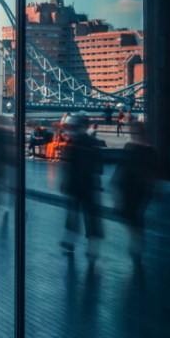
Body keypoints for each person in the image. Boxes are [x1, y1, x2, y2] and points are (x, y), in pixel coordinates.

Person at [59, 114, 105, 266]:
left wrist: (65, 182)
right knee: (90, 217)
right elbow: (99, 167)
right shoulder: (93, 143)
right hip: (89, 185)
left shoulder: (74, 144)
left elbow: (68, 165)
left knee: (74, 215)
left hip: (77, 185)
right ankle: (92, 248)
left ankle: (71, 241)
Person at [111, 122, 158, 266]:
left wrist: (115, 181)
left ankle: (136, 240)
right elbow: (155, 170)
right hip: (138, 187)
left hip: (132, 186)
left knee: (131, 214)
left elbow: (122, 166)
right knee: (134, 214)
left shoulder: (131, 148)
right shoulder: (150, 150)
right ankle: (137, 239)